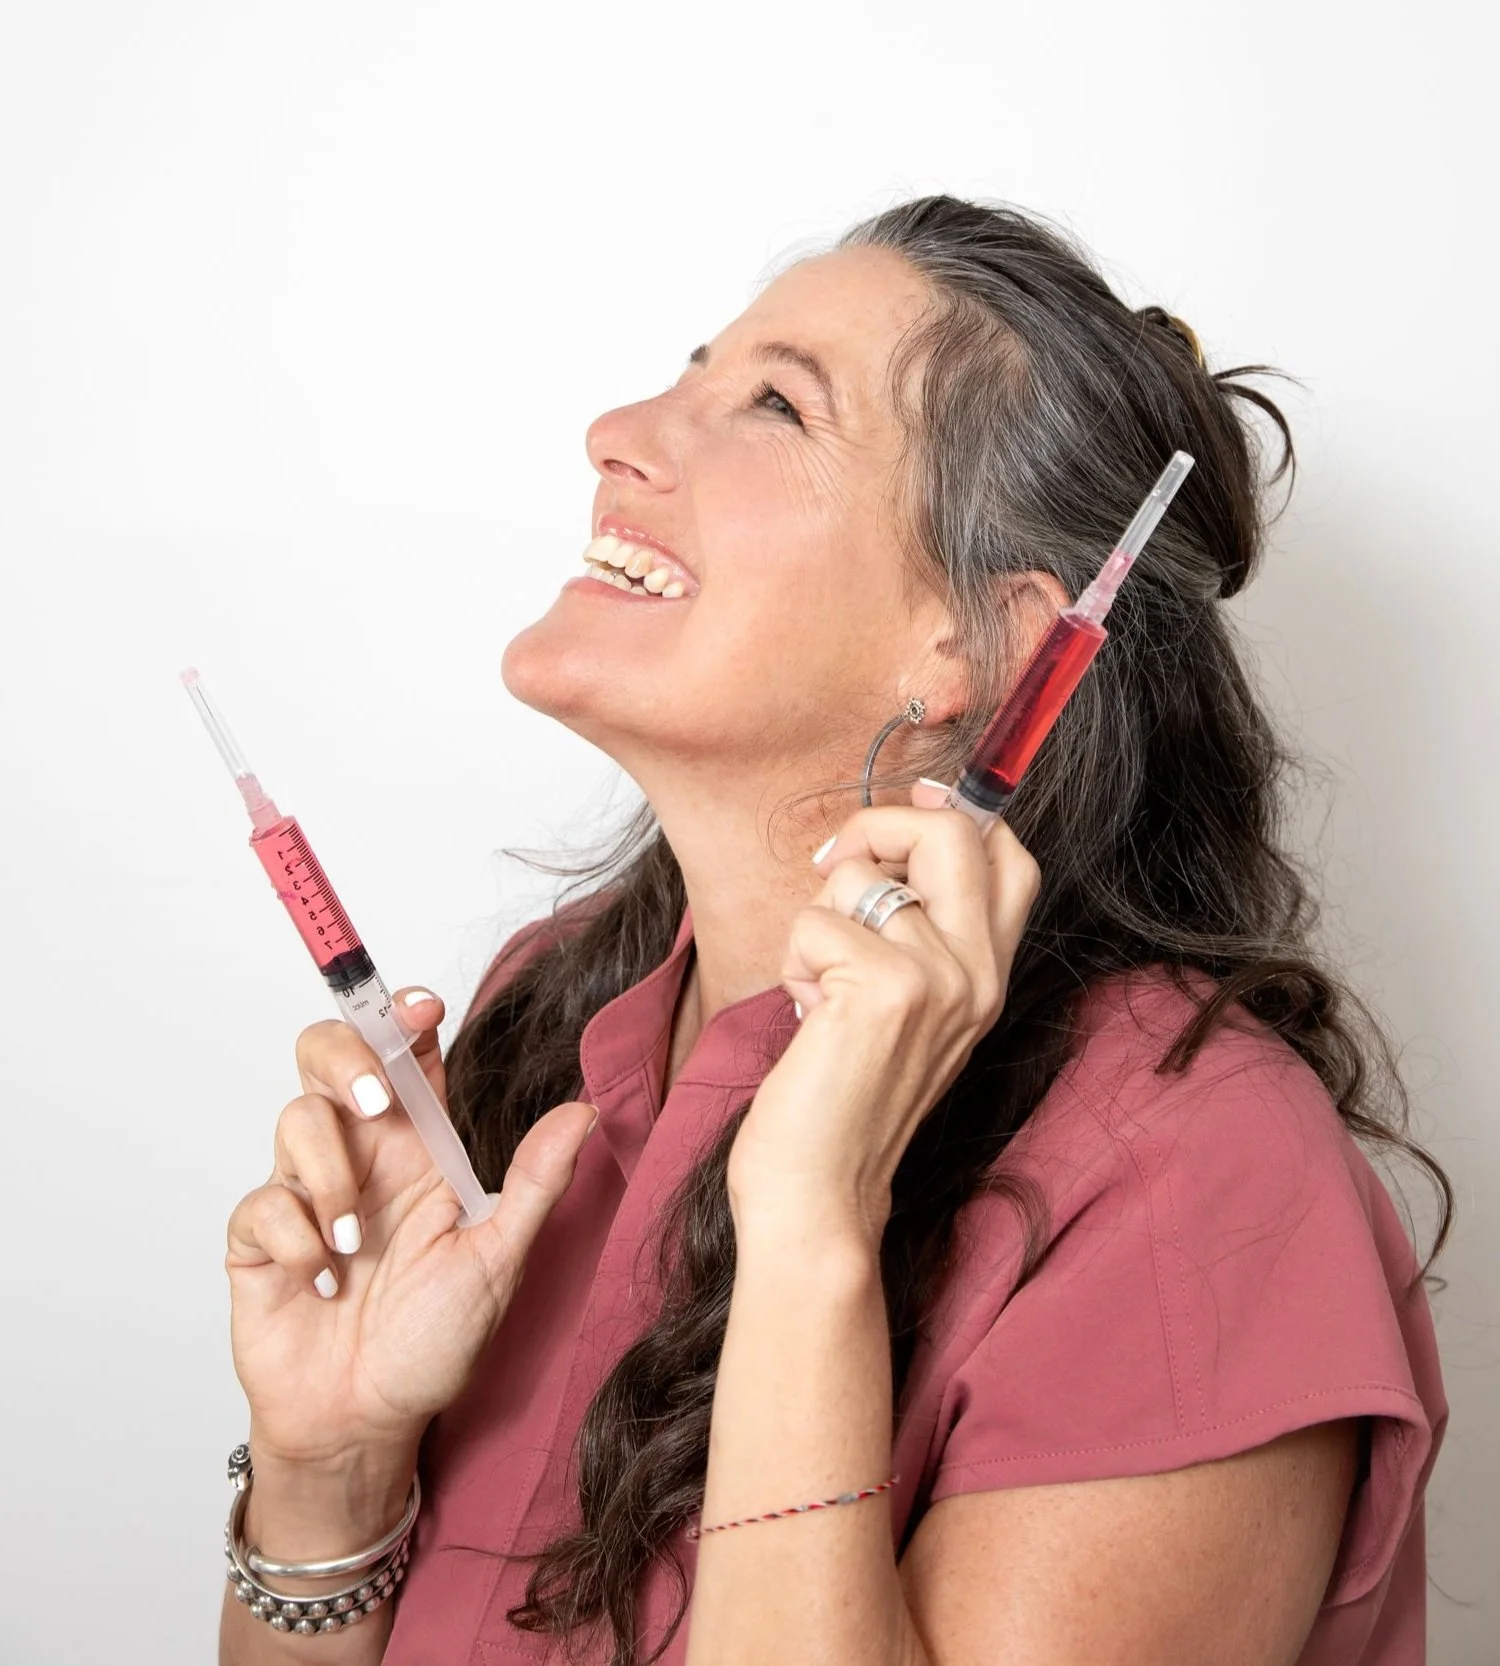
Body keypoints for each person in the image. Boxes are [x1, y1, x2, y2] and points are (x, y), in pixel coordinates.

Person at [217, 196, 1450, 1666]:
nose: (617, 427)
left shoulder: (1195, 1183)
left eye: (776, 405)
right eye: (689, 367)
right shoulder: (549, 1017)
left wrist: (811, 1226)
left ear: (982, 645)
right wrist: (327, 1472)